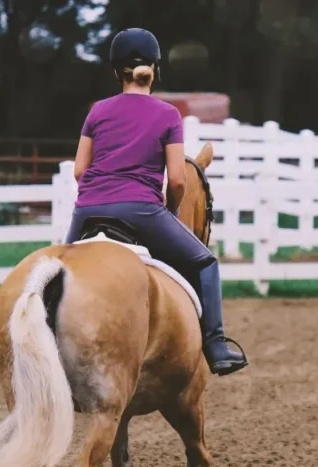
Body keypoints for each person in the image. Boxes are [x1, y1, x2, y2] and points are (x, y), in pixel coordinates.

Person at [63, 28, 248, 377]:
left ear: (116, 71)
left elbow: (79, 171)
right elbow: (177, 180)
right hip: (140, 211)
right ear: (155, 69)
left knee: (56, 272)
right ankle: (216, 346)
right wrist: (171, 211)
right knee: (206, 262)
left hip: (87, 211)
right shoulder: (167, 115)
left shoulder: (98, 111)